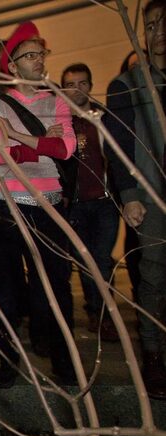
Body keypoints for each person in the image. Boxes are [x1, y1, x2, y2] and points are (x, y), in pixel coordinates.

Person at [0, 21, 76, 387]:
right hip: (6, 206)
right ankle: (8, 360)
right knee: (4, 288)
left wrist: (17, 141)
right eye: (30, 55)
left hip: (50, 205)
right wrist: (40, 143)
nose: (39, 60)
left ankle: (64, 361)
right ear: (12, 64)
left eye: (41, 54)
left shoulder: (57, 101)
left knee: (55, 286)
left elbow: (65, 149)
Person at [104, 0, 166, 398]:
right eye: (151, 24)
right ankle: (154, 356)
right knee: (154, 277)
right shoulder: (127, 85)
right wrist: (130, 195)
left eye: (164, 24)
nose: (158, 32)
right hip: (151, 195)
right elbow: (119, 145)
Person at [61, 63, 120, 342]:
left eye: (82, 83)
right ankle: (96, 312)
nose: (76, 89)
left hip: (105, 203)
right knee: (86, 263)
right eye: (70, 84)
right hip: (75, 205)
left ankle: (106, 315)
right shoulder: (59, 123)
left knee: (101, 260)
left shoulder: (105, 119)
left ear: (90, 85)